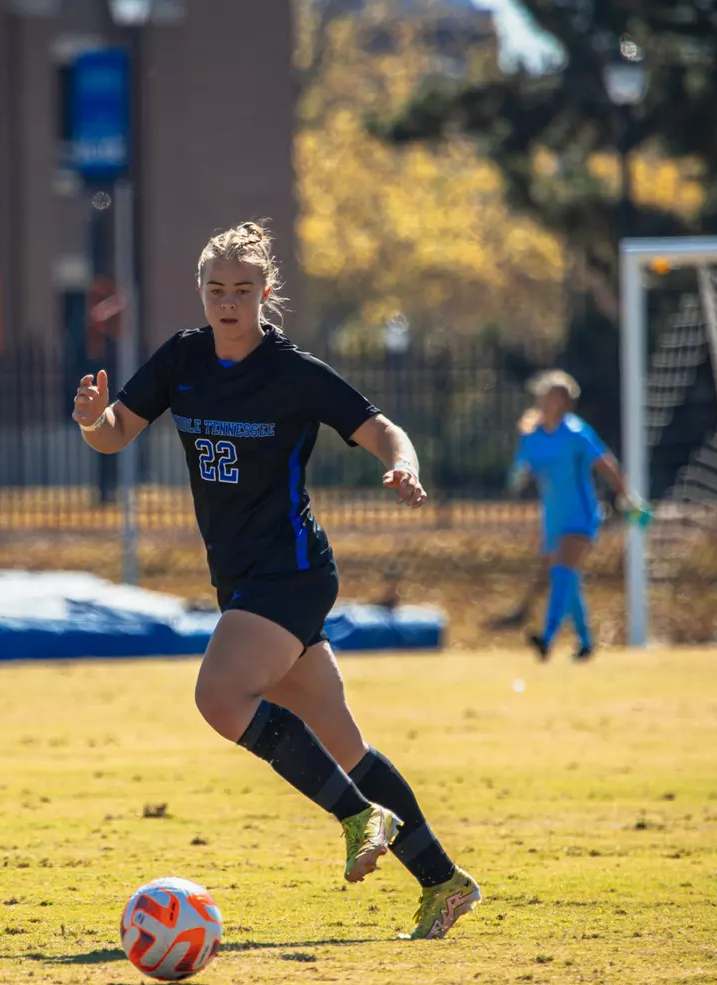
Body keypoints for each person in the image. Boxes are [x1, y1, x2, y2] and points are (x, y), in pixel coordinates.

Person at [71, 221, 481, 940]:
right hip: (243, 582)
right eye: (215, 289)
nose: (227, 302)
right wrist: (90, 422)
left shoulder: (293, 372)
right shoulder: (182, 359)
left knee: (220, 695)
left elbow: (382, 429)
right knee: (346, 747)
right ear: (200, 291)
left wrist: (403, 464)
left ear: (265, 293)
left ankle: (359, 817)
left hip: (292, 574)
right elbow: (115, 431)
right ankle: (443, 880)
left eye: (243, 289)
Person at [507, 370, 651, 661]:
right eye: (546, 396)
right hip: (553, 518)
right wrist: (519, 476)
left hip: (581, 515)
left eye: (554, 397)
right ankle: (585, 642)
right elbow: (517, 471)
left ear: (564, 401)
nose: (548, 401)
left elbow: (606, 465)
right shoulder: (533, 436)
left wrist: (629, 498)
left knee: (561, 572)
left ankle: (546, 638)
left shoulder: (576, 433)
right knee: (567, 580)